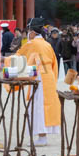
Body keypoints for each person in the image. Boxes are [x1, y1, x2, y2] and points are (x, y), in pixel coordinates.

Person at [16, 18, 61, 147]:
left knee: (39, 105)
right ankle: (42, 135)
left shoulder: (33, 44)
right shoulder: (46, 44)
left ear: (33, 33)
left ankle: (42, 136)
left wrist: (5, 61)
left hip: (40, 76)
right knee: (43, 105)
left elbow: (19, 57)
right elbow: (54, 63)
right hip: (49, 76)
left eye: (29, 31)